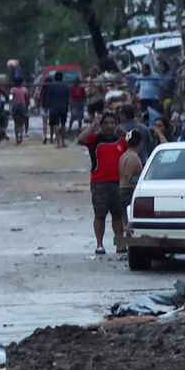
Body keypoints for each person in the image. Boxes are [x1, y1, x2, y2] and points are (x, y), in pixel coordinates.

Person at [77, 110, 128, 255]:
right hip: (99, 183)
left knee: (118, 215)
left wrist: (123, 130)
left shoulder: (122, 141)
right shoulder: (95, 139)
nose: (109, 126)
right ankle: (99, 245)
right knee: (100, 215)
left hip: (118, 183)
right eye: (106, 123)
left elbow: (136, 143)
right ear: (101, 125)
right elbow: (80, 139)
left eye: (112, 123)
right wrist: (93, 125)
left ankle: (120, 245)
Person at [118, 130, 144, 219]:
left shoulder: (124, 155)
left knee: (124, 220)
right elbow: (127, 176)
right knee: (129, 219)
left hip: (121, 189)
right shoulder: (133, 157)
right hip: (128, 191)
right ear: (141, 143)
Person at [43, 71, 72, 147]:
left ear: (54, 78)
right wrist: (71, 107)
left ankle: (58, 143)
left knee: (55, 124)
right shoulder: (65, 86)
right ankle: (63, 142)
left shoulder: (51, 86)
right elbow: (69, 98)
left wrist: (46, 107)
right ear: (62, 78)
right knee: (63, 124)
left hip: (54, 108)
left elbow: (48, 98)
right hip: (63, 107)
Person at [9, 74, 31, 145]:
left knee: (16, 123)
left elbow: (10, 98)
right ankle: (21, 137)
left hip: (15, 106)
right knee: (21, 123)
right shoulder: (24, 89)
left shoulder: (12, 89)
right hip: (22, 106)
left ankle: (16, 139)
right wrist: (27, 105)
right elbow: (27, 98)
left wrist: (10, 105)